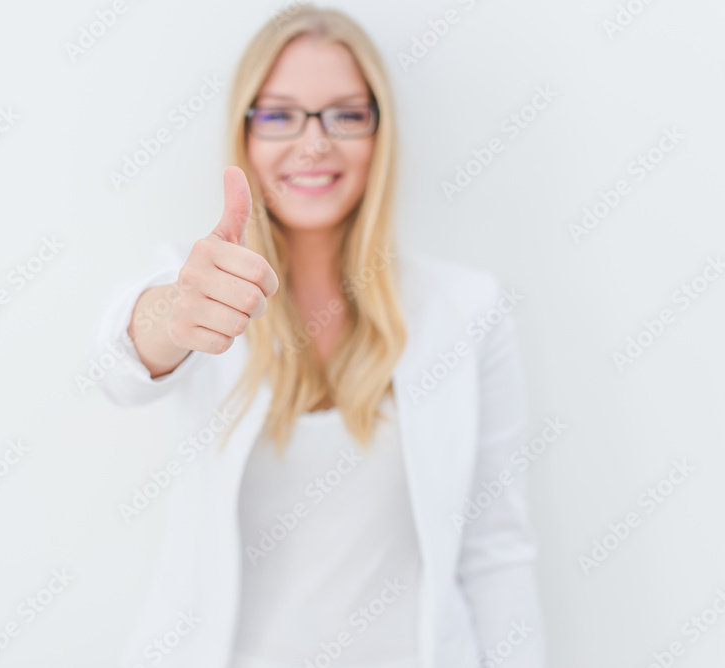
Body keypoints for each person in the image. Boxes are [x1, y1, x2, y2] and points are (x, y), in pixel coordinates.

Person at [91, 5, 547, 668]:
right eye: (279, 116)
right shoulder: (203, 285)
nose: (313, 143)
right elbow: (116, 364)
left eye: (345, 115)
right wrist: (171, 313)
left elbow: (496, 548)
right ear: (244, 133)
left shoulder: (467, 310)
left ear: (379, 132)